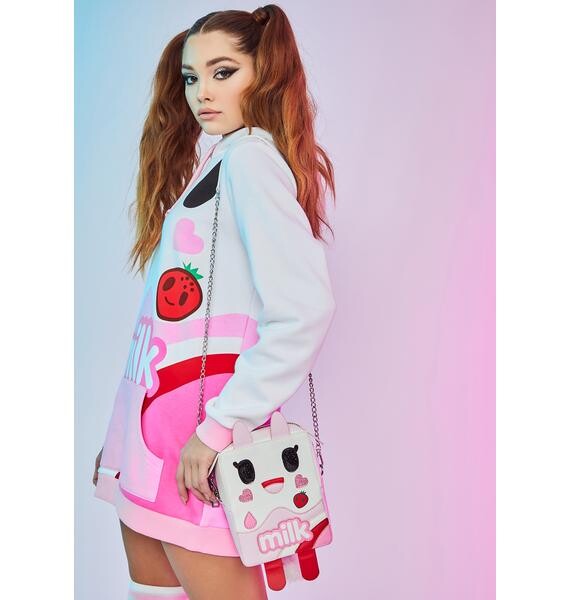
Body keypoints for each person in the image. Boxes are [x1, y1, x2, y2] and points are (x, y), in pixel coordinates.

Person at [92, 5, 337, 599]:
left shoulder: (251, 161)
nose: (202, 92)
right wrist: (124, 432)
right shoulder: (223, 159)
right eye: (191, 77)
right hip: (156, 439)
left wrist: (218, 429)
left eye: (223, 72)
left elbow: (303, 310)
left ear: (263, 73)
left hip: (196, 448)